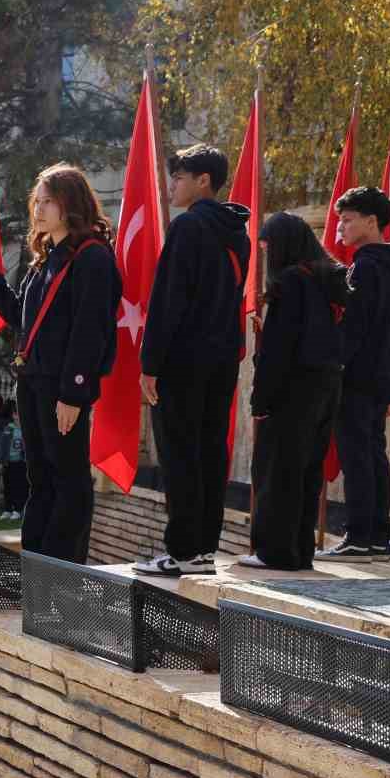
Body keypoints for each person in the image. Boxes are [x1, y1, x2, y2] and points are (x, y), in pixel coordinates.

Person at [0, 163, 121, 564]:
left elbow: (89, 331)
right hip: (31, 380)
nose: (39, 210)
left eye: (49, 201)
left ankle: (62, 572)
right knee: (39, 477)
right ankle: (37, 563)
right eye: (37, 201)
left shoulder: (92, 258)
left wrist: (73, 393)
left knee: (69, 480)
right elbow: (22, 317)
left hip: (62, 387)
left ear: (71, 205)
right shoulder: (45, 260)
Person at [135, 145, 251, 575]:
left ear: (204, 181)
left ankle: (182, 552)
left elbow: (169, 300)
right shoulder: (236, 232)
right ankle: (202, 549)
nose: (172, 186)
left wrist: (151, 363)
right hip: (220, 360)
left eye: (179, 177)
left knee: (180, 454)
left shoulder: (189, 228)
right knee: (209, 453)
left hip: (183, 361)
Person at [243, 213, 348, 569]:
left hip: (293, 390)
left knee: (278, 471)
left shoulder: (291, 282)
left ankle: (275, 552)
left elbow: (279, 349)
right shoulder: (329, 279)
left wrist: (261, 399)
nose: (266, 253)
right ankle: (300, 550)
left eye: (268, 246)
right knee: (307, 471)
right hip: (327, 386)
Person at [318, 187, 390, 561]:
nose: (341, 226)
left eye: (348, 219)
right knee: (374, 454)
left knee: (359, 453)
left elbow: (356, 327)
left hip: (359, 376)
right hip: (385, 374)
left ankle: (359, 536)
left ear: (372, 222)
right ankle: (374, 537)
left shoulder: (368, 266)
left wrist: (335, 363)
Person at [0, 401, 27, 519]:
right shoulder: (8, 428)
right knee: (7, 486)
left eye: (20, 414)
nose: (17, 416)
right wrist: (0, 462)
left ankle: (18, 509)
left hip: (20, 462)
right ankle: (8, 509)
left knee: (19, 486)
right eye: (16, 414)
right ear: (13, 415)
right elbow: (2, 446)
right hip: (8, 462)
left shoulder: (26, 429)